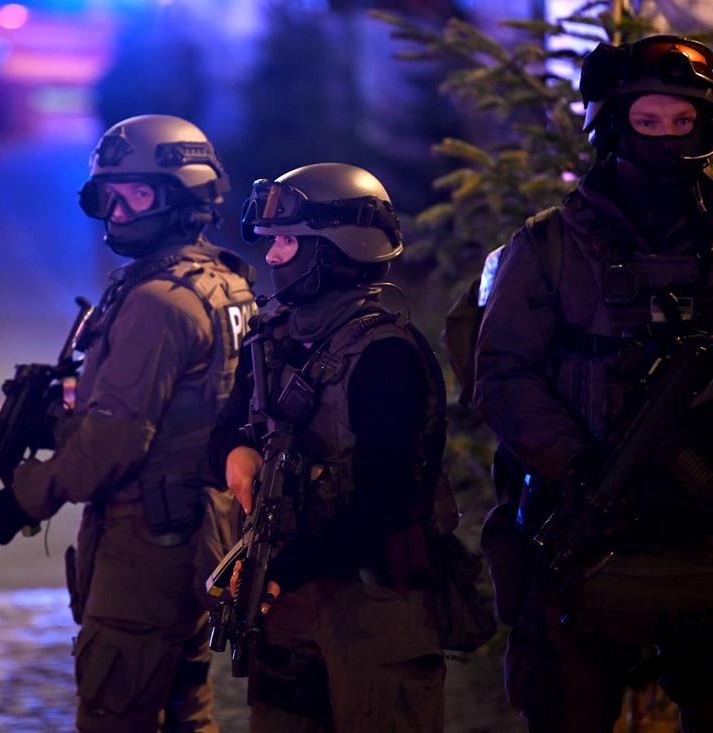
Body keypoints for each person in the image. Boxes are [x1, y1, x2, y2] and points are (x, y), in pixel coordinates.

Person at [0, 114, 257, 732]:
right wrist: (45, 426)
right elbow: (176, 407)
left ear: (184, 196)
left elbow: (114, 444)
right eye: (108, 195)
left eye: (138, 193)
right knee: (185, 713)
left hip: (146, 548)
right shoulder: (223, 283)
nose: (118, 212)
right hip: (201, 531)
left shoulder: (158, 301)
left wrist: (19, 501)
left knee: (114, 716)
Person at [474, 35, 713, 732]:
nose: (667, 137)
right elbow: (503, 372)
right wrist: (579, 467)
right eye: (648, 122)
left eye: (683, 121)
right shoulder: (550, 245)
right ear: (613, 125)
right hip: (585, 524)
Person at [209, 162, 449, 732]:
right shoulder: (273, 338)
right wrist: (236, 452)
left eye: (288, 242)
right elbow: (224, 431)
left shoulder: (386, 355)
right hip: (288, 598)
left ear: (337, 250)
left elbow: (384, 502)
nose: (270, 258)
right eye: (271, 243)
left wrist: (285, 568)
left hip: (369, 602)